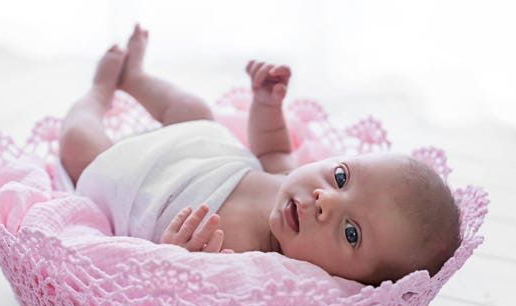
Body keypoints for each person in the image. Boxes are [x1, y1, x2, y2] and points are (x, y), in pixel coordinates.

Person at [59, 24, 461, 286]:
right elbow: (271, 147)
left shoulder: (265, 272)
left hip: (130, 183)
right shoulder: (288, 178)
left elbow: (172, 291)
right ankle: (137, 79)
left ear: (349, 281)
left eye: (350, 232)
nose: (326, 201)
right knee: (193, 109)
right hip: (196, 144)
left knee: (79, 143)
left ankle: (96, 96)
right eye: (341, 177)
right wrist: (266, 105)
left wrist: (178, 256)